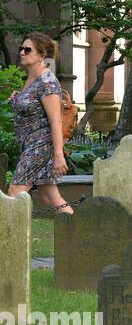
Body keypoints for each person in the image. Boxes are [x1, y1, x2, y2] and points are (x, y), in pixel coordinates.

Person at [7, 33, 73, 213]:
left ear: (42, 55)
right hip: (29, 144)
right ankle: (78, 233)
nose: (22, 52)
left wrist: (59, 155)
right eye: (21, 48)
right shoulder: (31, 79)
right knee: (49, 196)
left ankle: (8, 239)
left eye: (27, 50)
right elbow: (32, 108)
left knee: (15, 193)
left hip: (40, 147)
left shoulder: (47, 82)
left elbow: (55, 121)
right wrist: (17, 98)